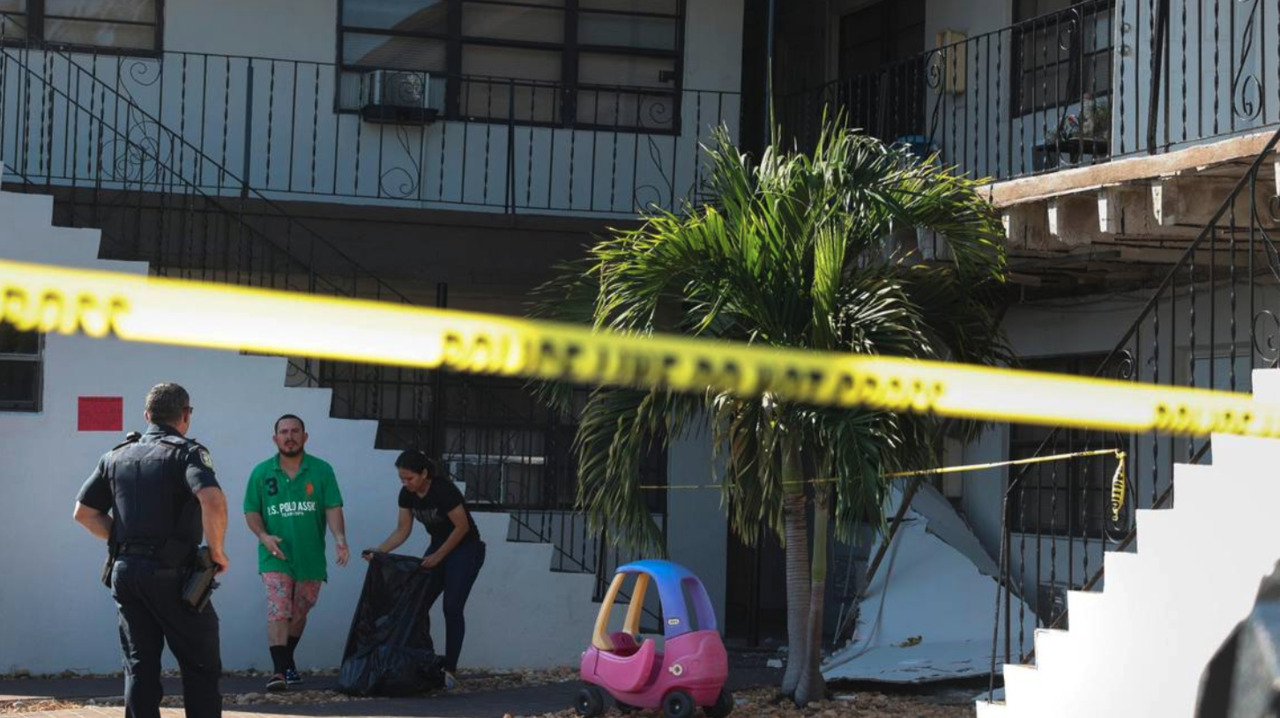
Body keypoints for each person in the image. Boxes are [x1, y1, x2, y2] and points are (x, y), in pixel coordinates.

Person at [73, 382, 229, 718]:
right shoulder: (187, 452)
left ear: (147, 416)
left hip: (126, 573)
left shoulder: (114, 456)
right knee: (200, 667)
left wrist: (126, 541)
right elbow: (212, 499)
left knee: (139, 668)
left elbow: (83, 513)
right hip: (176, 577)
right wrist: (217, 551)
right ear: (186, 415)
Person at [244, 414, 349, 692]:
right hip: (274, 555)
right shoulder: (261, 472)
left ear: (305, 436)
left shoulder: (321, 470)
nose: (289, 436)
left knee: (299, 612)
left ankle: (287, 661)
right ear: (275, 438)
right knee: (279, 609)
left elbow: (333, 507)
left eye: (295, 431)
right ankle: (279, 672)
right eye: (283, 431)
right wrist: (264, 536)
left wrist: (340, 539)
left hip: (311, 556)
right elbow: (251, 511)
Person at [364, 450, 486, 689]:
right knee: (417, 602)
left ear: (424, 473)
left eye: (409, 478)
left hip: (465, 548)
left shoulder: (444, 491)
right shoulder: (406, 495)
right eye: (401, 479)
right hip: (439, 545)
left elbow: (461, 528)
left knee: (451, 606)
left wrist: (438, 555)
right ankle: (422, 659)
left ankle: (450, 668)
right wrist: (380, 551)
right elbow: (403, 530)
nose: (405, 483)